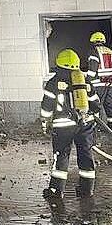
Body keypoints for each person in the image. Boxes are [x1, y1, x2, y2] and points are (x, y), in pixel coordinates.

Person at [40, 48, 102, 200]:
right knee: (86, 155)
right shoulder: (85, 80)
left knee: (61, 156)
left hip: (63, 126)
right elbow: (96, 104)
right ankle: (87, 190)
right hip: (86, 124)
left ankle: (56, 191)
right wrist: (93, 122)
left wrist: (45, 123)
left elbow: (46, 107)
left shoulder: (53, 82)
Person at [86, 32, 112, 129]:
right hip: (110, 84)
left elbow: (93, 68)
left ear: (93, 41)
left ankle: (95, 126)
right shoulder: (110, 51)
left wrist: (87, 80)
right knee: (110, 105)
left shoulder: (93, 51)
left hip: (97, 84)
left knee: (95, 105)